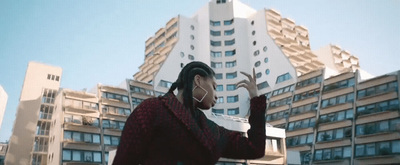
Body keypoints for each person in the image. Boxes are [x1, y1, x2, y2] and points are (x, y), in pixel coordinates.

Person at [113, 61, 266, 164]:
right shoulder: (151, 110)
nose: (216, 95)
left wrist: (255, 98)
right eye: (214, 86)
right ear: (198, 81)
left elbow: (254, 148)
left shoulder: (212, 130)